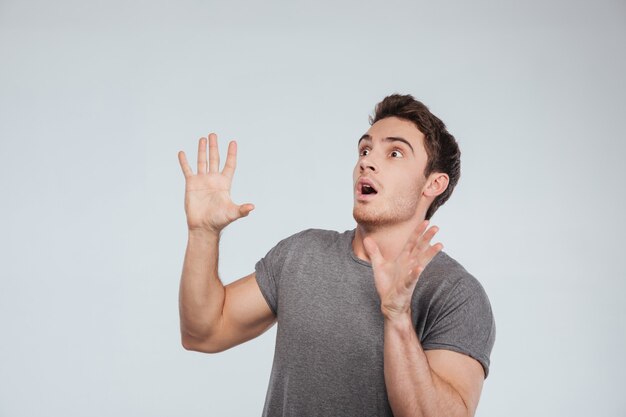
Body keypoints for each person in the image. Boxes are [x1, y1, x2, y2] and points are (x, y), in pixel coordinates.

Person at [177, 94, 496, 417]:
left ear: (433, 184)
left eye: (395, 153)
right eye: (365, 150)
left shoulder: (456, 294)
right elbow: (202, 333)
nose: (366, 162)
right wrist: (203, 234)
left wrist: (398, 317)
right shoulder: (301, 255)